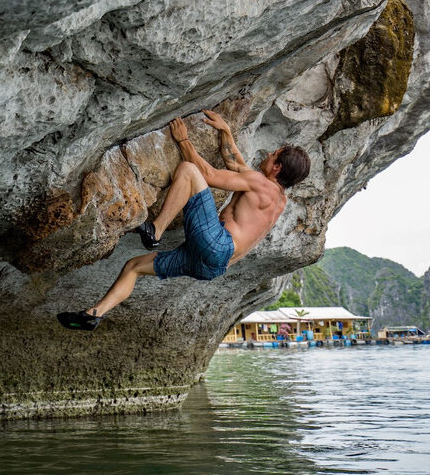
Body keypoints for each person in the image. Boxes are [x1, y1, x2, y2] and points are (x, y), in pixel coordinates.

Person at [57, 110, 310, 332]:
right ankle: (95, 315)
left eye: (273, 155)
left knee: (189, 170)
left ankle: (155, 231)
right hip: (213, 268)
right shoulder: (277, 200)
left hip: (217, 243)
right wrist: (225, 131)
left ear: (276, 167)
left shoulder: (259, 182)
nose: (267, 155)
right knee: (134, 266)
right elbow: (235, 163)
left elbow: (208, 174)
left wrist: (183, 140)